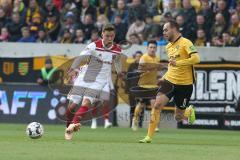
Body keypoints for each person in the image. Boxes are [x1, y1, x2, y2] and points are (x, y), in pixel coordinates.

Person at [139, 20, 200, 143]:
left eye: (166, 30)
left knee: (178, 117)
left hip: (185, 85)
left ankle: (188, 111)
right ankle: (148, 137)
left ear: (174, 29)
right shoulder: (168, 46)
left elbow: (196, 58)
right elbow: (172, 66)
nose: (164, 32)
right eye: (163, 30)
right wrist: (163, 77)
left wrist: (179, 63)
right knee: (157, 105)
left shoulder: (186, 42)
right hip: (169, 81)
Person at [64, 24, 124, 140]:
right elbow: (80, 58)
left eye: (112, 36)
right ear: (102, 34)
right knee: (71, 106)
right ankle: (68, 126)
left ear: (114, 35)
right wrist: (72, 69)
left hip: (99, 81)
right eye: (107, 36)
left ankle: (72, 126)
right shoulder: (93, 46)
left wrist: (119, 72)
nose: (109, 39)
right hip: (84, 77)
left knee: (86, 103)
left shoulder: (117, 49)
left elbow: (117, 61)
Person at [130, 40, 161, 131]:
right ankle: (135, 119)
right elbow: (139, 71)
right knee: (141, 105)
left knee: (154, 105)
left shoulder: (157, 58)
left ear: (156, 48)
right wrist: (145, 71)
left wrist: (159, 77)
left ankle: (154, 125)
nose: (152, 49)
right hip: (143, 86)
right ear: (147, 48)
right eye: (150, 47)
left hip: (153, 86)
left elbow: (156, 72)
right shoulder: (144, 58)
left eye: (154, 47)